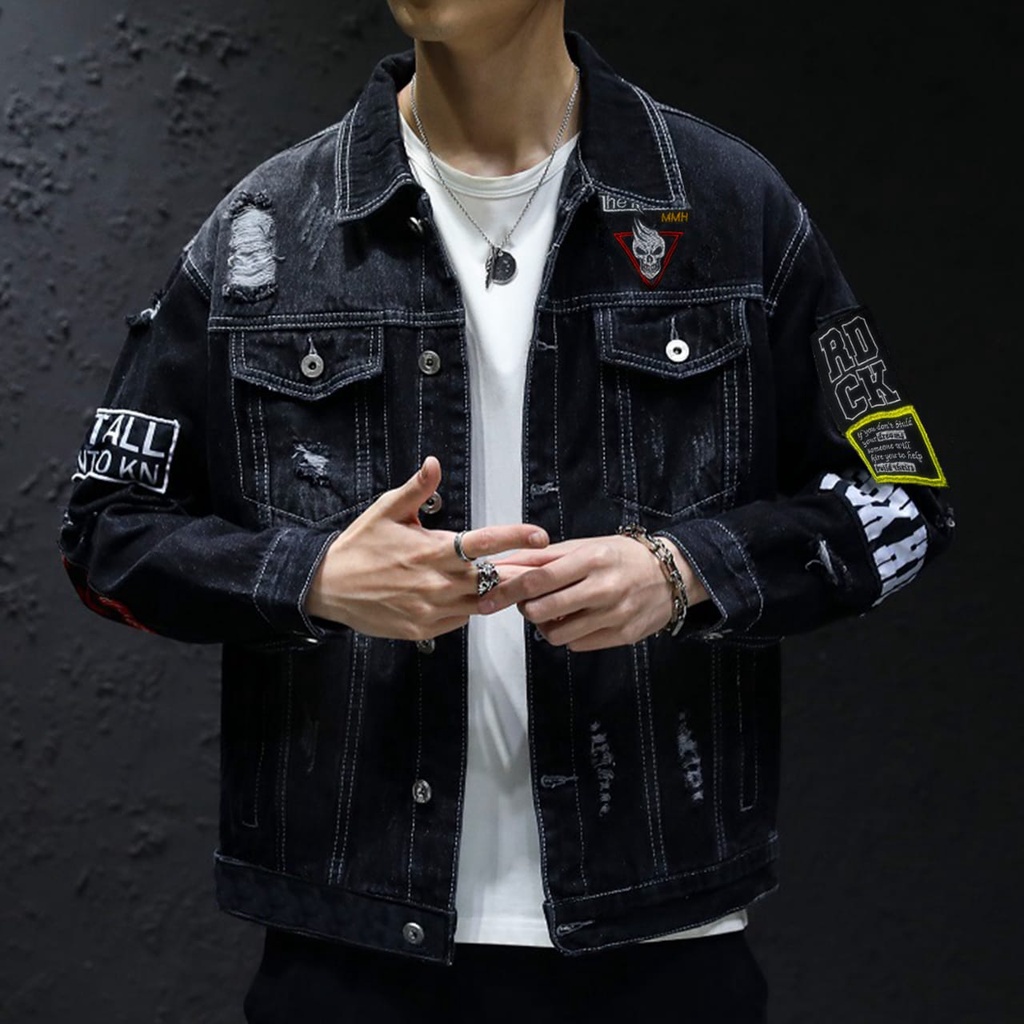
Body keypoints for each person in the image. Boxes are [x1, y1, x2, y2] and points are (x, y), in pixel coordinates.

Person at [58, 2, 955, 1021]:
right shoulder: (267, 228)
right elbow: (105, 531)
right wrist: (313, 579)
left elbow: (902, 500)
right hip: (351, 950)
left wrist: (685, 571)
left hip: (657, 948)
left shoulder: (726, 207)